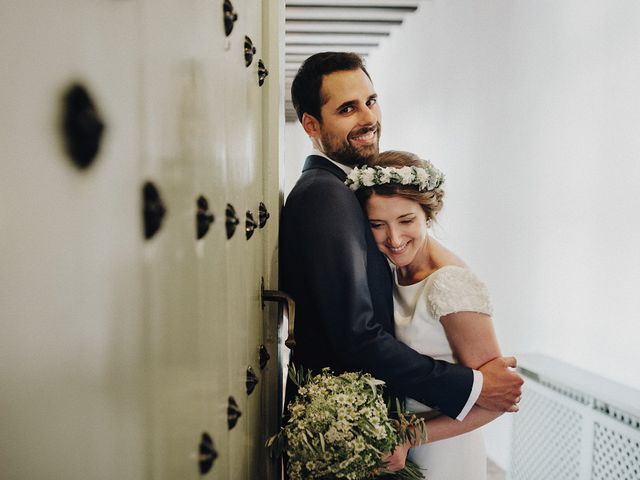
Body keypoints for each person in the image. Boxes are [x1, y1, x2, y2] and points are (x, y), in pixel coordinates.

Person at [279, 52, 523, 474]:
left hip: (408, 437)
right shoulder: (326, 194)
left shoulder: (347, 192)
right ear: (311, 125)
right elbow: (356, 334)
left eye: (371, 101)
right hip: (370, 426)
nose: (367, 117)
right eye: (347, 108)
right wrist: (473, 385)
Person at [351, 150, 507, 479]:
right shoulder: (394, 267)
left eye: (406, 221)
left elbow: (496, 402)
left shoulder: (450, 282)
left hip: (445, 450)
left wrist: (411, 436)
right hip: (401, 444)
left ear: (428, 212)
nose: (394, 239)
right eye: (378, 225)